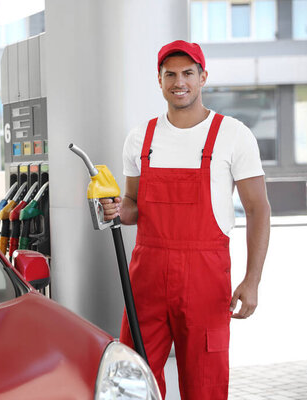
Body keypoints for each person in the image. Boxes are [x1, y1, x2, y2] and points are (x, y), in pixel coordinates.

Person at [101, 40, 270, 400]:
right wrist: (117, 208)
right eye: (170, 74)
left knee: (205, 382)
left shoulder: (233, 135)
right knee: (134, 375)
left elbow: (258, 209)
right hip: (147, 277)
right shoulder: (141, 138)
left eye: (188, 73)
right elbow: (132, 206)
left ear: (202, 77)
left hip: (205, 278)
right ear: (159, 81)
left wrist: (252, 280)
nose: (180, 82)